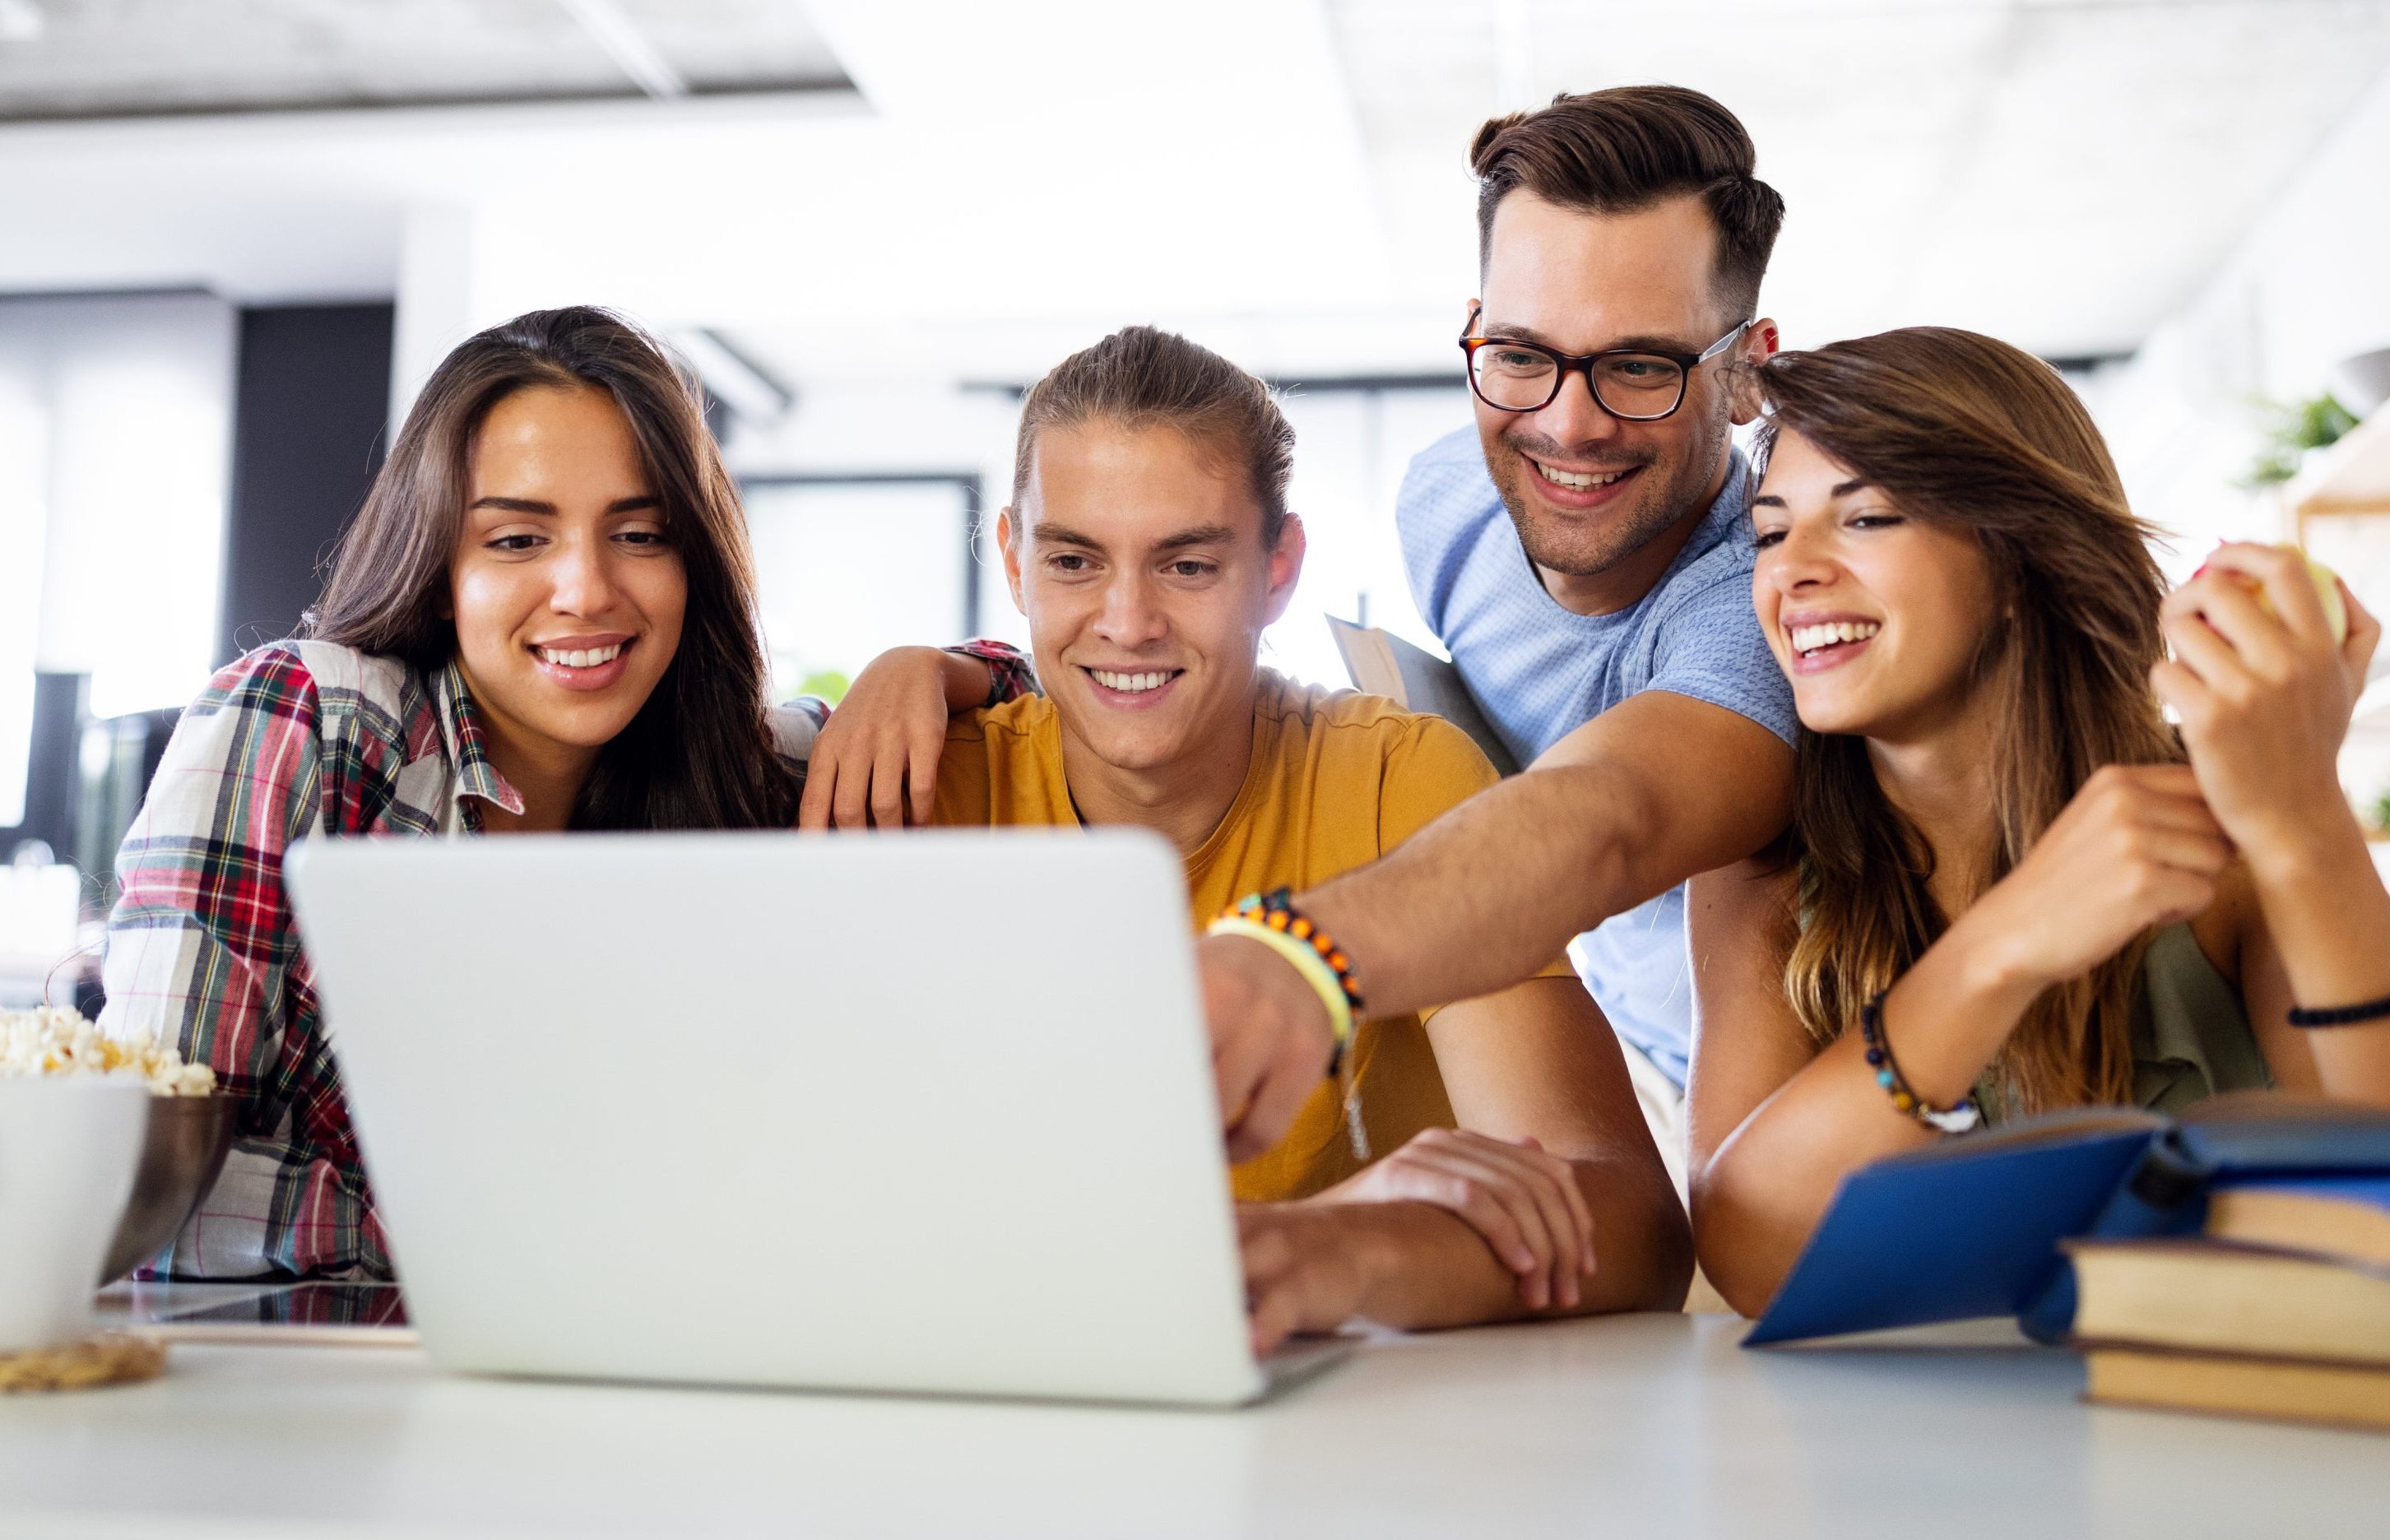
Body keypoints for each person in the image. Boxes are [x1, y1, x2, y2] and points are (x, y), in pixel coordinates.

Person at [100, 307, 1016, 1280]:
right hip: (289, 1398)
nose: (586, 588)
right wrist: (508, 1241)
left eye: (640, 533)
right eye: (518, 540)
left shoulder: (743, 776)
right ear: (440, 563)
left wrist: (930, 668)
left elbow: (1062, 711)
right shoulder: (311, 719)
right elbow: (142, 1180)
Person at [919, 325, 1689, 1350]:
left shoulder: (1393, 778)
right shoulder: (924, 793)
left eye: (1188, 564)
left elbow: (1631, 1228)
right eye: (1073, 560)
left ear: (1277, 569)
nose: (1127, 620)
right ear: (1015, 559)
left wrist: (1341, 1251)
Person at [1682, 327, 2390, 1316]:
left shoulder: (2222, 832)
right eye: (1771, 531)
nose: (1789, 572)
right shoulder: (1757, 867)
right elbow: (1747, 1253)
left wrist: (2305, 819)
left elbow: (2380, 1203)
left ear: (2020, 559)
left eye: (1869, 518)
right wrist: (2005, 945)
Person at [1200, 86, 1800, 1172]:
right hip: (1618, 1043)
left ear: (1747, 371)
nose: (1567, 426)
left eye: (1638, 367)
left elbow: (1609, 815)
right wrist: (975, 672)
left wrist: (1300, 957)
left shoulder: (1771, 599)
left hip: (1800, 1100)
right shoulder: (1447, 503)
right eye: (1520, 354)